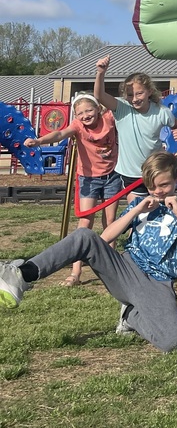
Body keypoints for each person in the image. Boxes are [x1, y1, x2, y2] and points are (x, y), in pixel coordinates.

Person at [0, 151, 177, 353]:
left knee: (173, 343)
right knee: (84, 236)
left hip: (158, 282)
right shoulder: (140, 205)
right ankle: (22, 274)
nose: (157, 191)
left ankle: (130, 315)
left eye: (164, 185)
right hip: (126, 270)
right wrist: (136, 210)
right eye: (151, 187)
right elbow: (105, 237)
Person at [24, 93, 119, 288]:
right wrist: (39, 141)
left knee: (110, 222)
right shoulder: (77, 126)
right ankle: (76, 272)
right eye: (80, 113)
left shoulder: (109, 118)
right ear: (76, 116)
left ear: (98, 109)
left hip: (113, 175)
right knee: (85, 223)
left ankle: (113, 271)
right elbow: (60, 134)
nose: (85, 115)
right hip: (89, 177)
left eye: (89, 110)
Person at [94, 55, 177, 193]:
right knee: (138, 206)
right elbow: (99, 96)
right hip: (131, 174)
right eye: (130, 95)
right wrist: (100, 73)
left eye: (139, 93)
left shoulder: (161, 111)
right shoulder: (121, 108)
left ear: (149, 91)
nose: (134, 99)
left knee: (157, 205)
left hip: (155, 172)